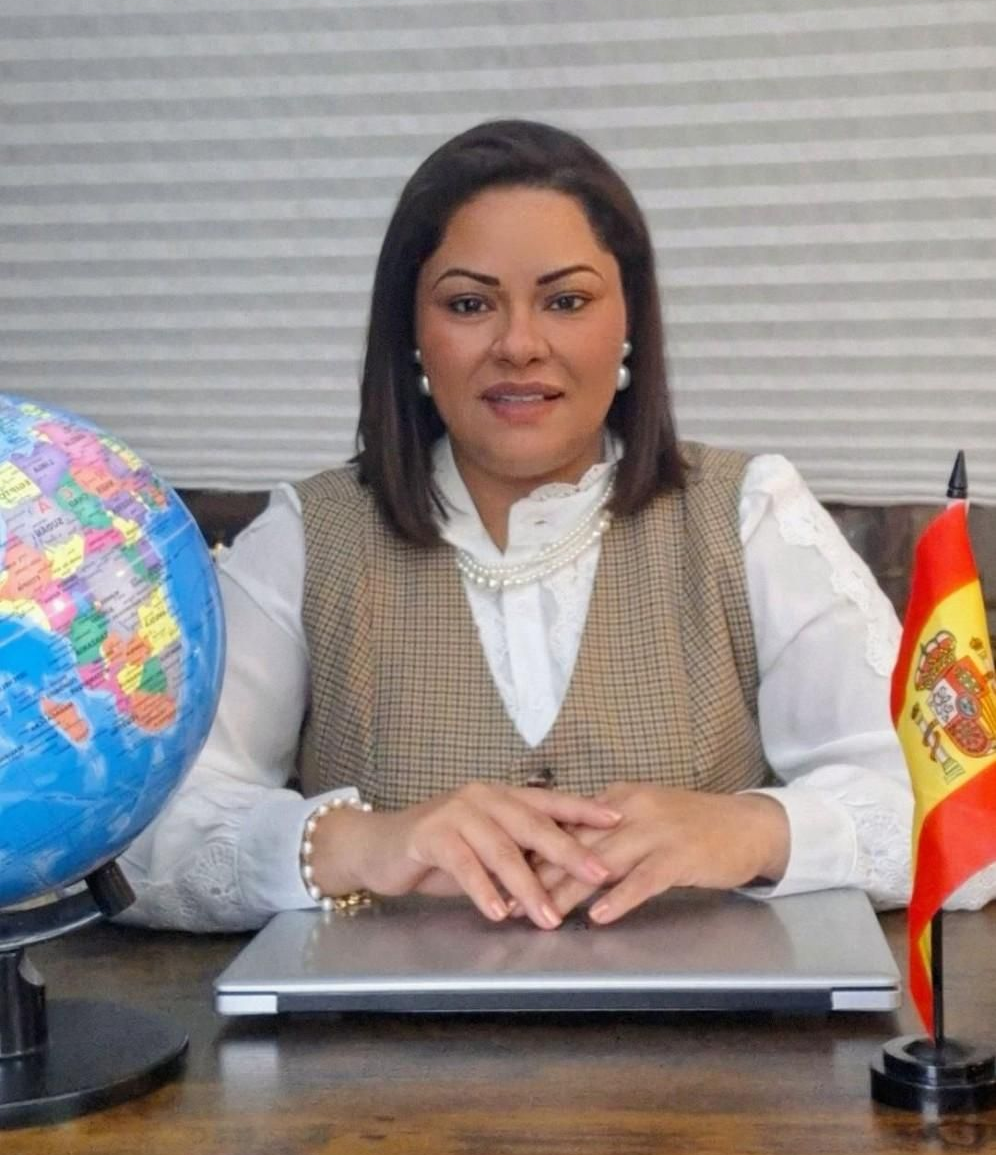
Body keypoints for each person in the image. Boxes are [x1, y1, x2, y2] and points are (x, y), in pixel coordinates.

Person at [120, 119, 995, 932]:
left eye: (566, 302)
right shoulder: (312, 535)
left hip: (717, 1068)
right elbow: (132, 837)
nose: (519, 344)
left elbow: (959, 811)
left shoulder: (749, 514)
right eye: (469, 305)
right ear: (413, 334)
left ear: (628, 325)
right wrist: (352, 842)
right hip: (379, 1069)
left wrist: (756, 827)